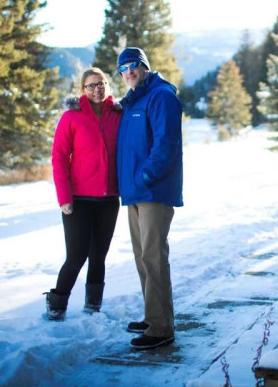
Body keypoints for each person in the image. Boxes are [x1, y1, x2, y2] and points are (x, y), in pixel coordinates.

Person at [116, 47, 183, 350]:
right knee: (143, 257)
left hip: (153, 190)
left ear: (144, 67)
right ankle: (152, 315)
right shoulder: (134, 100)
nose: (127, 72)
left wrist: (144, 176)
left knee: (153, 257)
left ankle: (160, 328)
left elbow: (165, 145)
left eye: (132, 66)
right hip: (135, 192)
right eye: (122, 68)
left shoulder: (161, 96)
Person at [45, 68, 121, 321]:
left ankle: (93, 306)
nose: (96, 89)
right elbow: (58, 157)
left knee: (99, 255)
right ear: (83, 89)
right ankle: (56, 302)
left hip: (109, 199)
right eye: (90, 85)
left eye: (100, 84)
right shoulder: (72, 117)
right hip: (78, 199)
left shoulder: (118, 115)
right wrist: (64, 197)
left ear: (107, 85)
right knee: (76, 255)